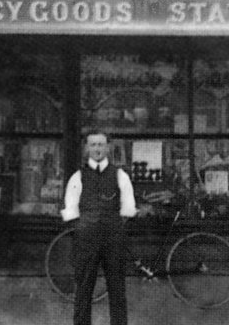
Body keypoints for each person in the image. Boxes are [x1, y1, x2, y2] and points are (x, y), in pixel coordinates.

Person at [60, 131, 137, 325]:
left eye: (101, 144)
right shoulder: (78, 177)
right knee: (84, 290)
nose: (97, 149)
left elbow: (128, 209)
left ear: (108, 147)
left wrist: (111, 227)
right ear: (86, 148)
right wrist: (86, 229)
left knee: (117, 290)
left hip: (113, 240)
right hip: (86, 241)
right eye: (93, 145)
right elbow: (70, 210)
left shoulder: (120, 176)